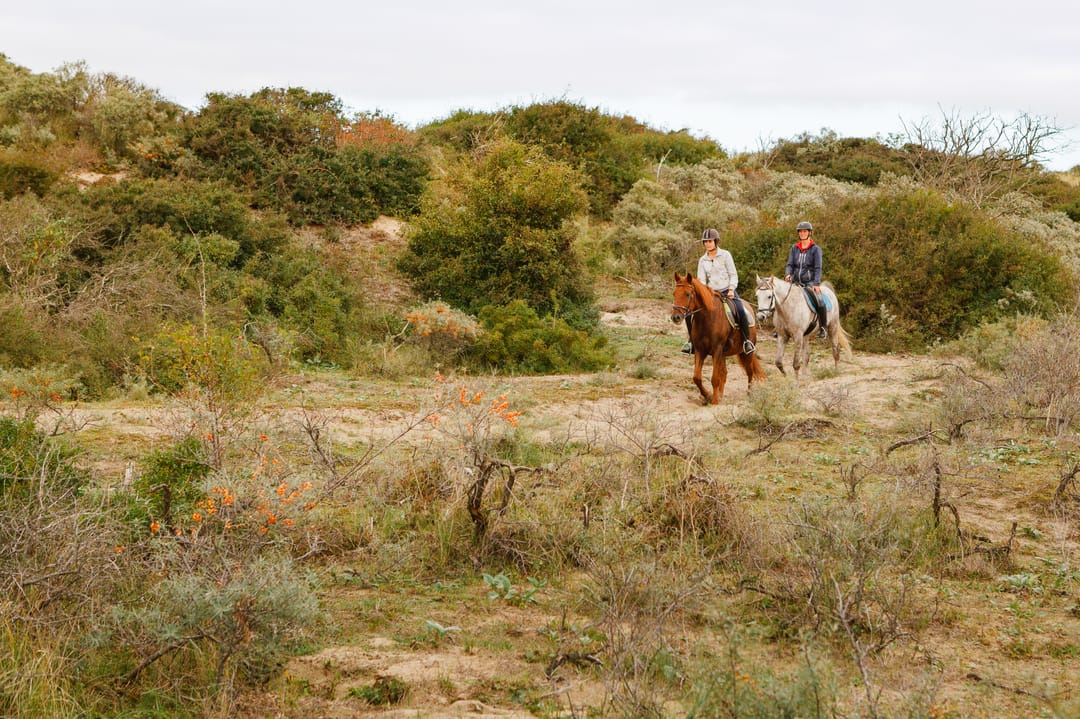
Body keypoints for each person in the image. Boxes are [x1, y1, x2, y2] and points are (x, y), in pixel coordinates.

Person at [682, 228, 755, 354]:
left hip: (727, 291)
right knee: (690, 314)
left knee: (740, 310)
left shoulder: (725, 255)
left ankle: (746, 341)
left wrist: (732, 289)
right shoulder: (702, 260)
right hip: (710, 293)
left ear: (716, 241)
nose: (707, 244)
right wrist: (705, 293)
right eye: (705, 242)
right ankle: (691, 342)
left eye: (709, 241)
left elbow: (733, 274)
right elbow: (701, 280)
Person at [785, 221, 828, 338]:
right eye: (801, 231)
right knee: (782, 299)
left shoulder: (815, 249)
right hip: (795, 282)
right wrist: (788, 273)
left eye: (805, 231)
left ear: (809, 233)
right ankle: (780, 327)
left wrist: (816, 283)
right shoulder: (794, 248)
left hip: (809, 283)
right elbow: (790, 264)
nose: (802, 233)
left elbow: (818, 267)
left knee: (819, 300)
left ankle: (823, 327)